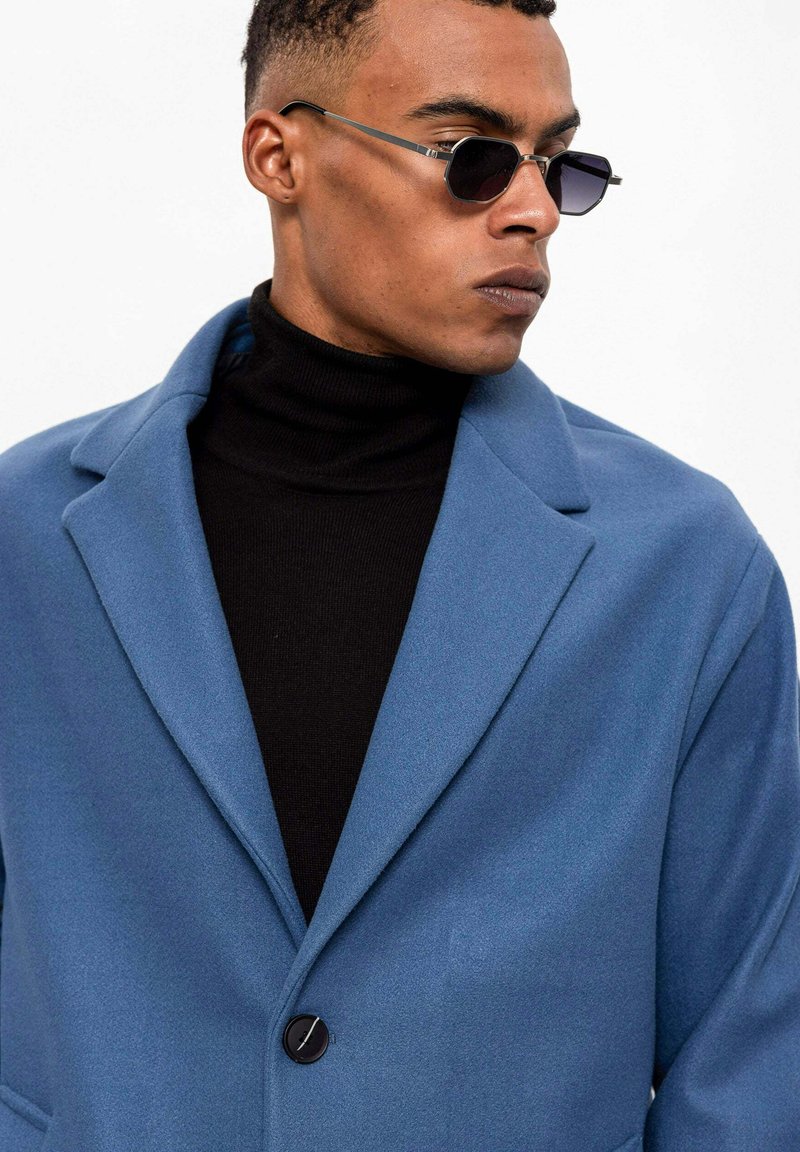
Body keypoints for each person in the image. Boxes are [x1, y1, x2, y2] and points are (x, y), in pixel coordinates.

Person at [0, 0, 797, 1149]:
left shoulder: (683, 567)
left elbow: (751, 1062)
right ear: (278, 157)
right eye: (469, 156)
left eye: (557, 164)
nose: (532, 210)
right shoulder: (28, 539)